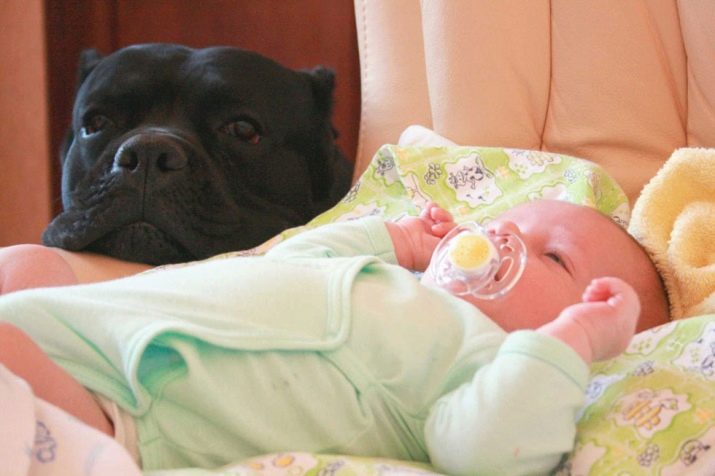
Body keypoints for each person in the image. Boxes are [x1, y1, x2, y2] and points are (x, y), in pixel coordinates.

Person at [0, 199, 669, 475]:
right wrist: (398, 239)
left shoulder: (481, 362)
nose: (502, 238)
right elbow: (295, 258)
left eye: (553, 257)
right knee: (24, 265)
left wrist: (566, 345)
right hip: (104, 321)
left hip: (125, 409)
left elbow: (485, 447)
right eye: (504, 223)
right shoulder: (394, 280)